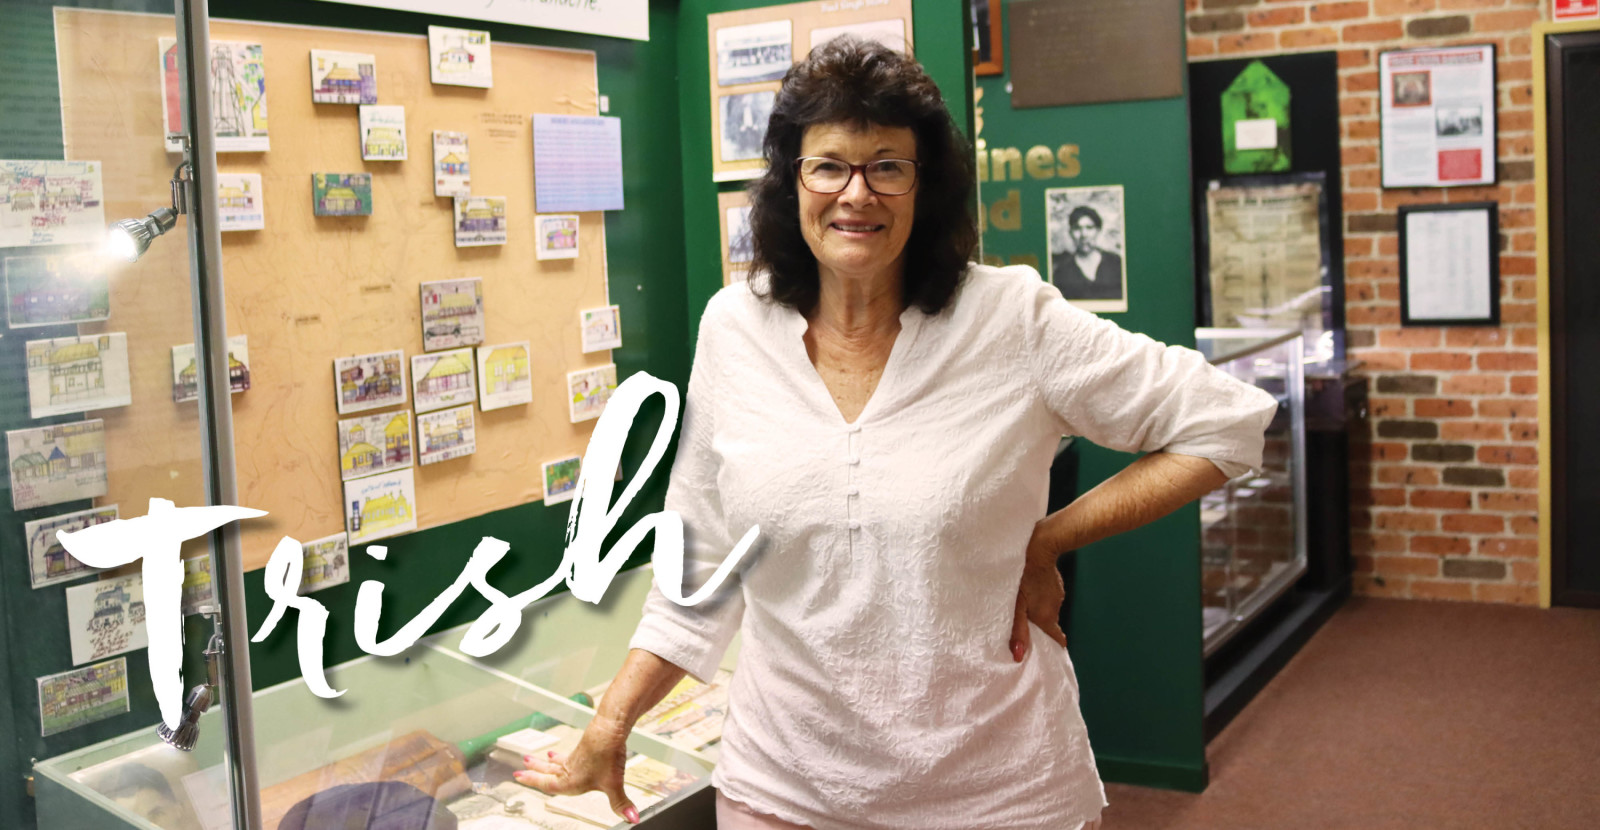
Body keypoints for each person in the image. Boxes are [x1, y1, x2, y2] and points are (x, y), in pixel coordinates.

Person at [516, 38, 1277, 830]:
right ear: (790, 182)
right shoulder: (733, 329)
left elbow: (1226, 421)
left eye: (888, 166)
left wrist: (1048, 539)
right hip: (780, 791)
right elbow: (700, 563)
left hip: (994, 795)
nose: (857, 193)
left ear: (925, 187)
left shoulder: (1010, 319)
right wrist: (611, 724)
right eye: (829, 165)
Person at [1050, 205, 1124, 302]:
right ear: (1070, 233)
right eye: (1077, 228)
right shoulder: (1061, 272)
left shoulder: (1116, 263)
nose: (1084, 234)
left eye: (1089, 228)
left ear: (1098, 231)